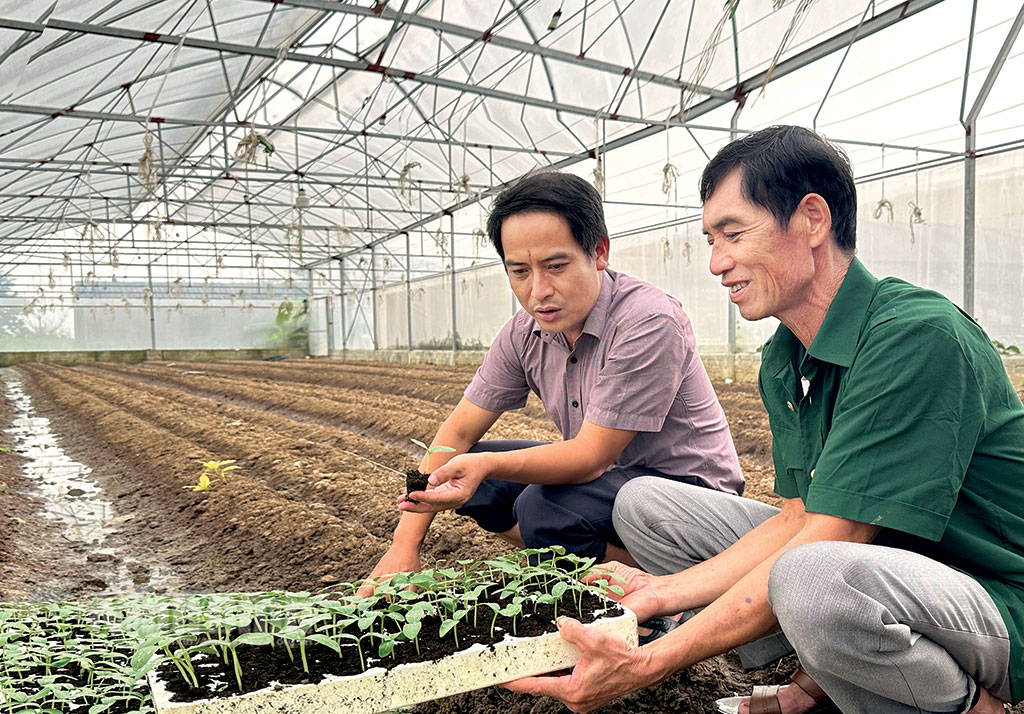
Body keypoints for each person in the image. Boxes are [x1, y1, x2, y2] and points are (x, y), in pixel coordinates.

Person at [503, 126, 1024, 714]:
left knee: (814, 578)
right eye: (709, 239)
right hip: (888, 578)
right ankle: (830, 678)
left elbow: (839, 539)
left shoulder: (915, 337)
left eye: (732, 233)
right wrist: (658, 593)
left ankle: (969, 706)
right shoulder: (785, 358)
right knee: (646, 504)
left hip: (993, 598)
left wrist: (654, 660)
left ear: (811, 220)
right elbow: (800, 519)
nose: (715, 262)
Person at [360, 171, 743, 594]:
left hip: (686, 493)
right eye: (519, 271)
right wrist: (403, 546)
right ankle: (578, 564)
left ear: (598, 252)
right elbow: (458, 431)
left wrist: (486, 465)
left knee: (544, 507)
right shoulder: (524, 333)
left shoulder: (647, 321)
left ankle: (677, 585)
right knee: (468, 473)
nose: (538, 290)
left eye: (555, 266)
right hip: (611, 479)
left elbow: (591, 457)